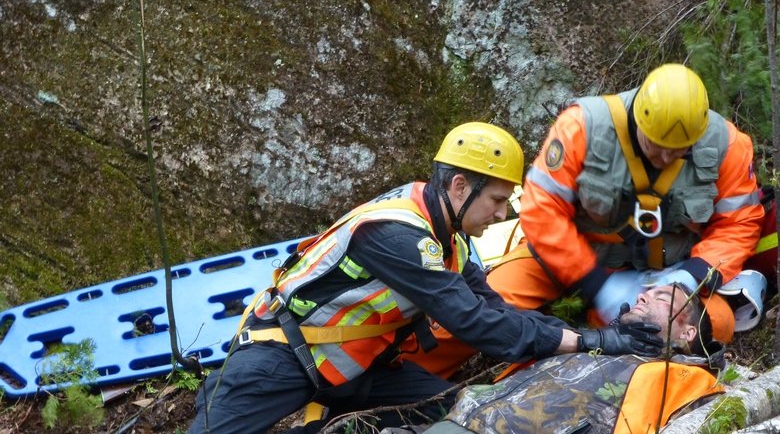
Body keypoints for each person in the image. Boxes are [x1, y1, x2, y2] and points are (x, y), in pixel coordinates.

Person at [187, 122, 665, 434]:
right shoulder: (397, 235)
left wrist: (595, 339)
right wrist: (588, 340)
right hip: (283, 358)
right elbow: (475, 324)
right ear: (460, 186)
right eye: (497, 200)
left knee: (454, 410)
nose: (503, 214)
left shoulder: (448, 237)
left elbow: (495, 309)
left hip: (358, 369)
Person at [406, 64, 764, 379]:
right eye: (656, 145)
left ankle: (619, 376)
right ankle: (404, 378)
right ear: (639, 119)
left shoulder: (728, 146)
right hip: (567, 257)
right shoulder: (583, 127)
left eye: (679, 149)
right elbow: (542, 210)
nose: (666, 156)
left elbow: (739, 223)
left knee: (716, 322)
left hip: (670, 270)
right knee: (482, 305)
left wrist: (690, 278)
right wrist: (596, 284)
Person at [420, 283, 726, 434]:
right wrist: (601, 338)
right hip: (458, 419)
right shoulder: (591, 341)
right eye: (646, 291)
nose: (642, 295)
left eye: (663, 298)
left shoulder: (687, 379)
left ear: (688, 333)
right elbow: (520, 326)